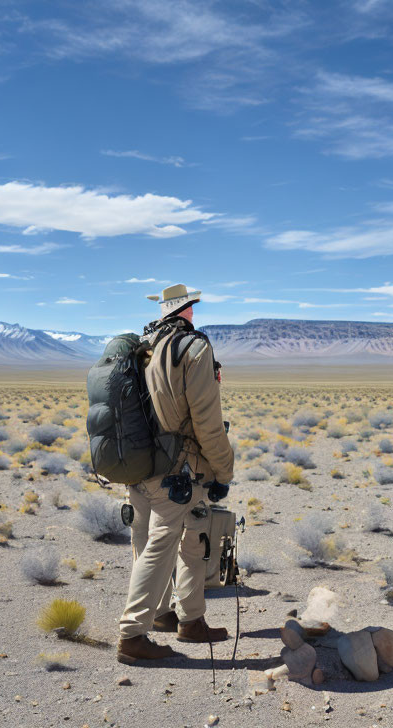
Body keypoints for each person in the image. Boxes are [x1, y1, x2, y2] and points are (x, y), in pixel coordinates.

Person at [117, 284, 235, 665]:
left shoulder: (142, 346)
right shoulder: (193, 348)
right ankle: (133, 635)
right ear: (189, 309)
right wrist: (223, 469)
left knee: (152, 540)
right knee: (172, 542)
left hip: (137, 464)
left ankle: (180, 618)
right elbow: (207, 422)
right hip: (178, 470)